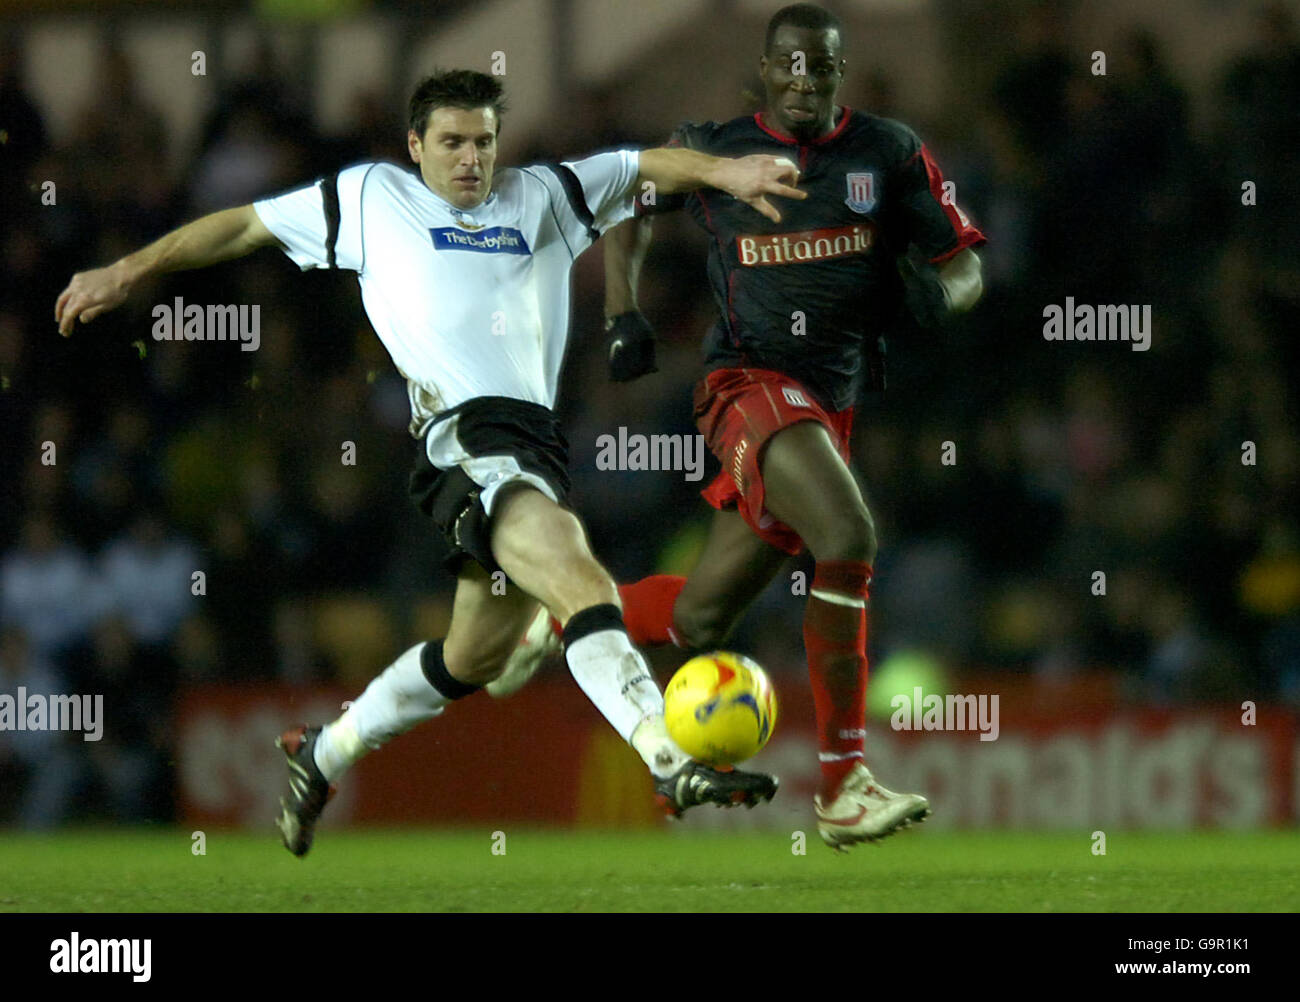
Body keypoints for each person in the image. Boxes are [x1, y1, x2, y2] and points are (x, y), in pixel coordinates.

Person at [54, 69, 806, 856]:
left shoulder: (545, 193)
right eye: (452, 142)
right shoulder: (374, 197)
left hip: (535, 446)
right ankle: (669, 757)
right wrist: (128, 270)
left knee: (471, 656)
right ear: (416, 146)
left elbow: (644, 165)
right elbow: (242, 226)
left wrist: (729, 170)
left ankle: (328, 750)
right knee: (579, 577)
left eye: (483, 141)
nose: (471, 158)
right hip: (465, 440)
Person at [501, 4, 987, 851]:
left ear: (839, 71)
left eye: (821, 67)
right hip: (745, 387)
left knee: (698, 620)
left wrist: (943, 296)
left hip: (828, 407)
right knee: (848, 533)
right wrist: (623, 313)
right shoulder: (715, 147)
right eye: (789, 65)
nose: (805, 80)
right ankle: (843, 785)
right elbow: (634, 204)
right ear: (763, 71)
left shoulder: (889, 151)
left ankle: (563, 615)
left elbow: (967, 262)